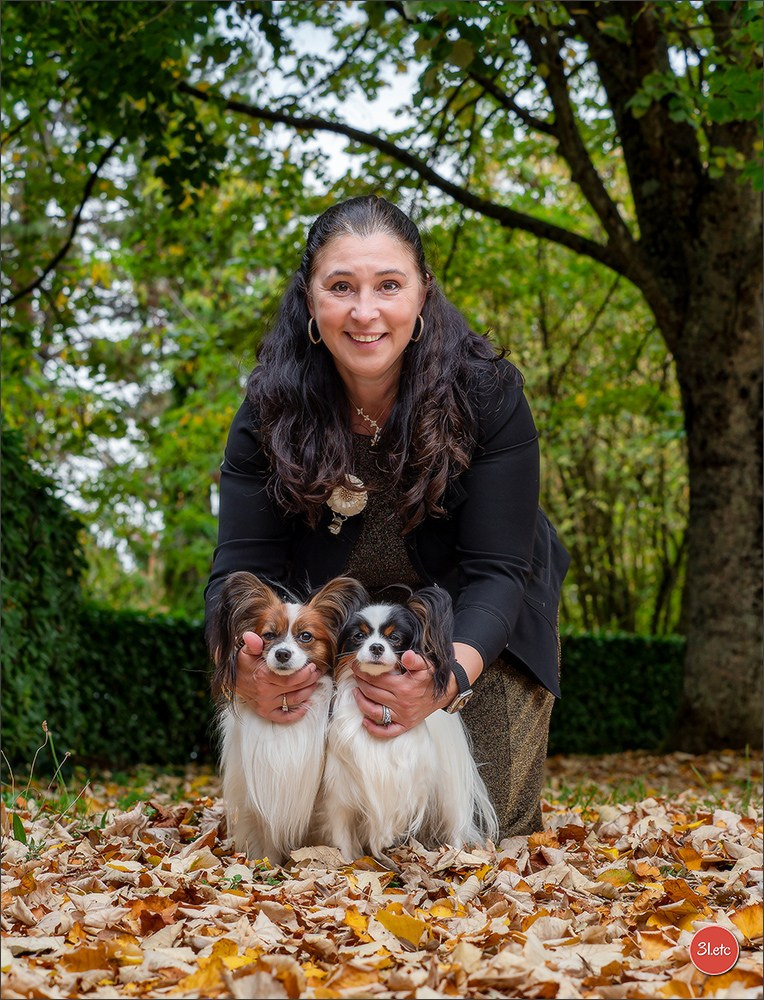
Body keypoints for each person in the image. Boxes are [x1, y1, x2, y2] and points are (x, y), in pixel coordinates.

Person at [205, 195, 569, 841]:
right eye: (341, 286)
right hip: (332, 633)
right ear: (311, 300)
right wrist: (244, 666)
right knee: (311, 831)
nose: (365, 312)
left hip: (474, 619)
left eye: (389, 285)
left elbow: (498, 569)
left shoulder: (488, 394)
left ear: (423, 293)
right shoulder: (268, 408)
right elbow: (240, 569)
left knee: (474, 828)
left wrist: (447, 676)